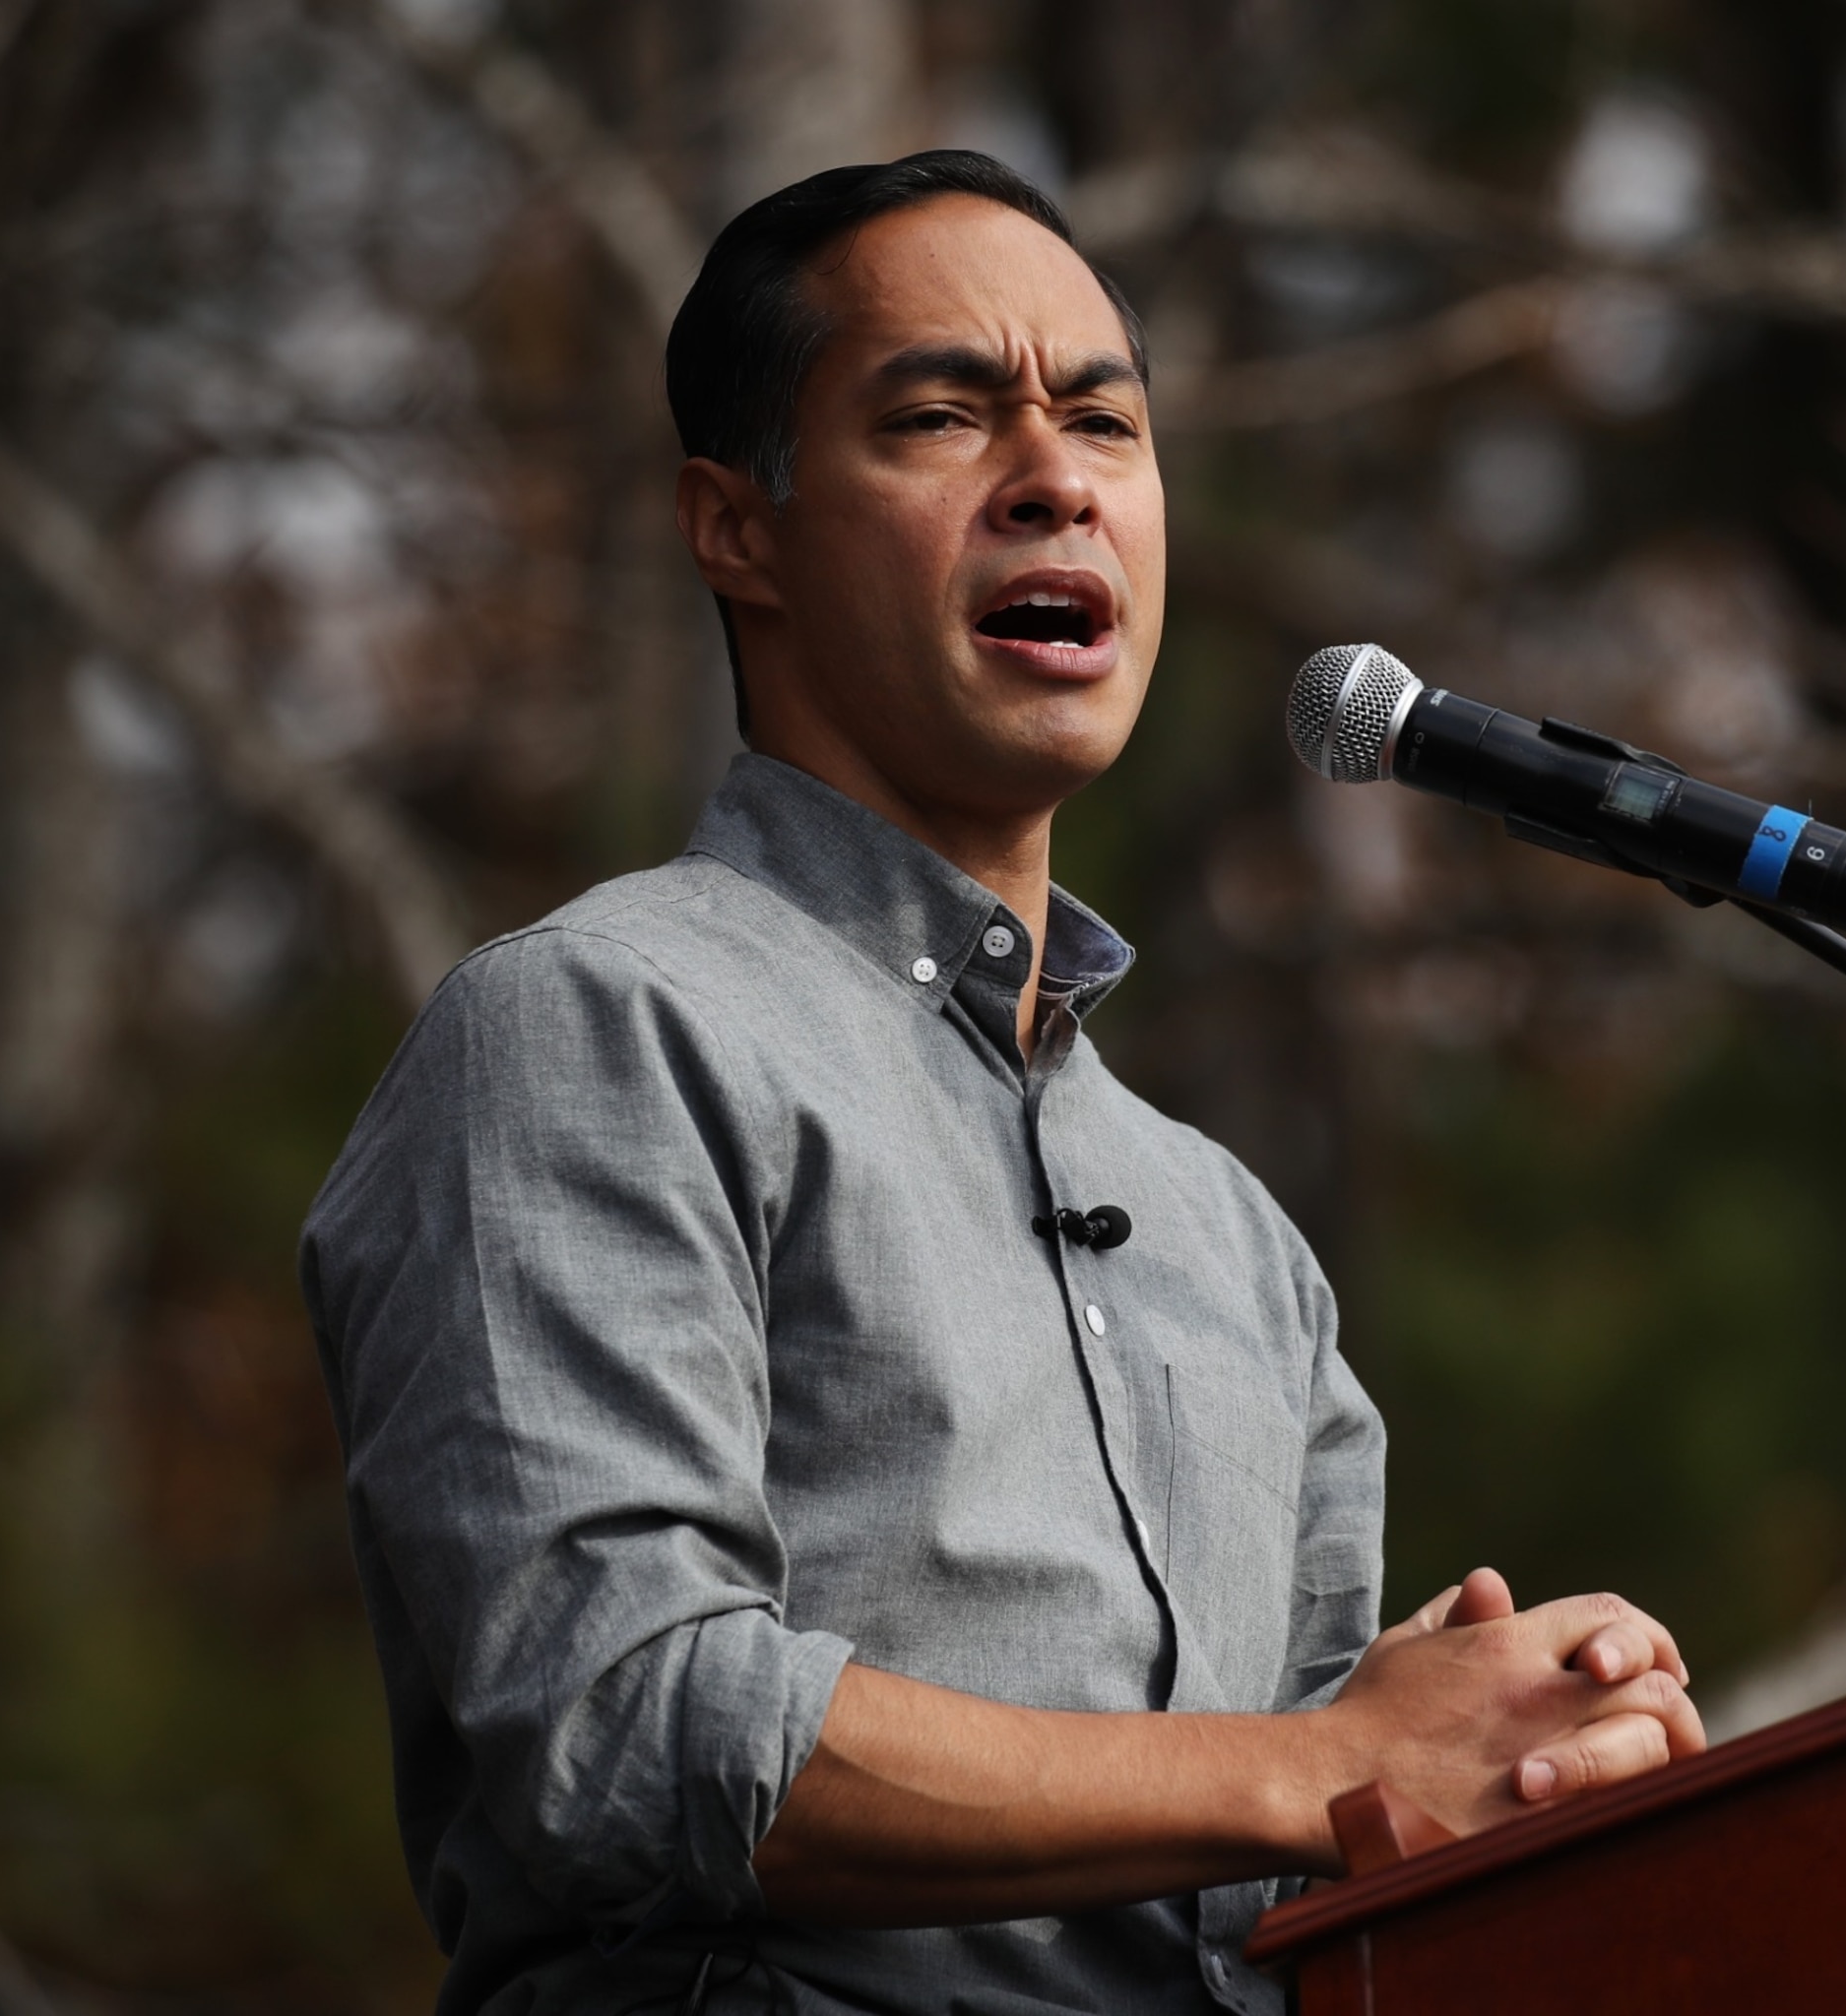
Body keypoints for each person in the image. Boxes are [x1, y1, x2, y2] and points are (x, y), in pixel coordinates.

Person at [299, 151, 1705, 2016]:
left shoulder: (1237, 1238)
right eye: (944, 415)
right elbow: (619, 1722)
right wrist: (1315, 1766)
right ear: (737, 530)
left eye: (1104, 423)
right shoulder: (595, 1027)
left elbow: (1309, 1891)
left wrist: (1525, 1765)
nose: (1054, 476)